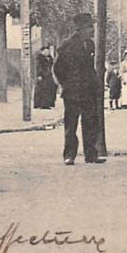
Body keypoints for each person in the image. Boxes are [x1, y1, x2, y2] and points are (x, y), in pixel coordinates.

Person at [53, 13, 105, 165]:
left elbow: (89, 67)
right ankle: (69, 155)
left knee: (90, 122)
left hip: (88, 91)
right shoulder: (66, 45)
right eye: (90, 27)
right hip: (73, 92)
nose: (92, 30)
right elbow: (58, 68)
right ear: (80, 28)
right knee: (71, 124)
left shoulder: (90, 44)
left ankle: (91, 155)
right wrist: (67, 84)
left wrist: (94, 83)